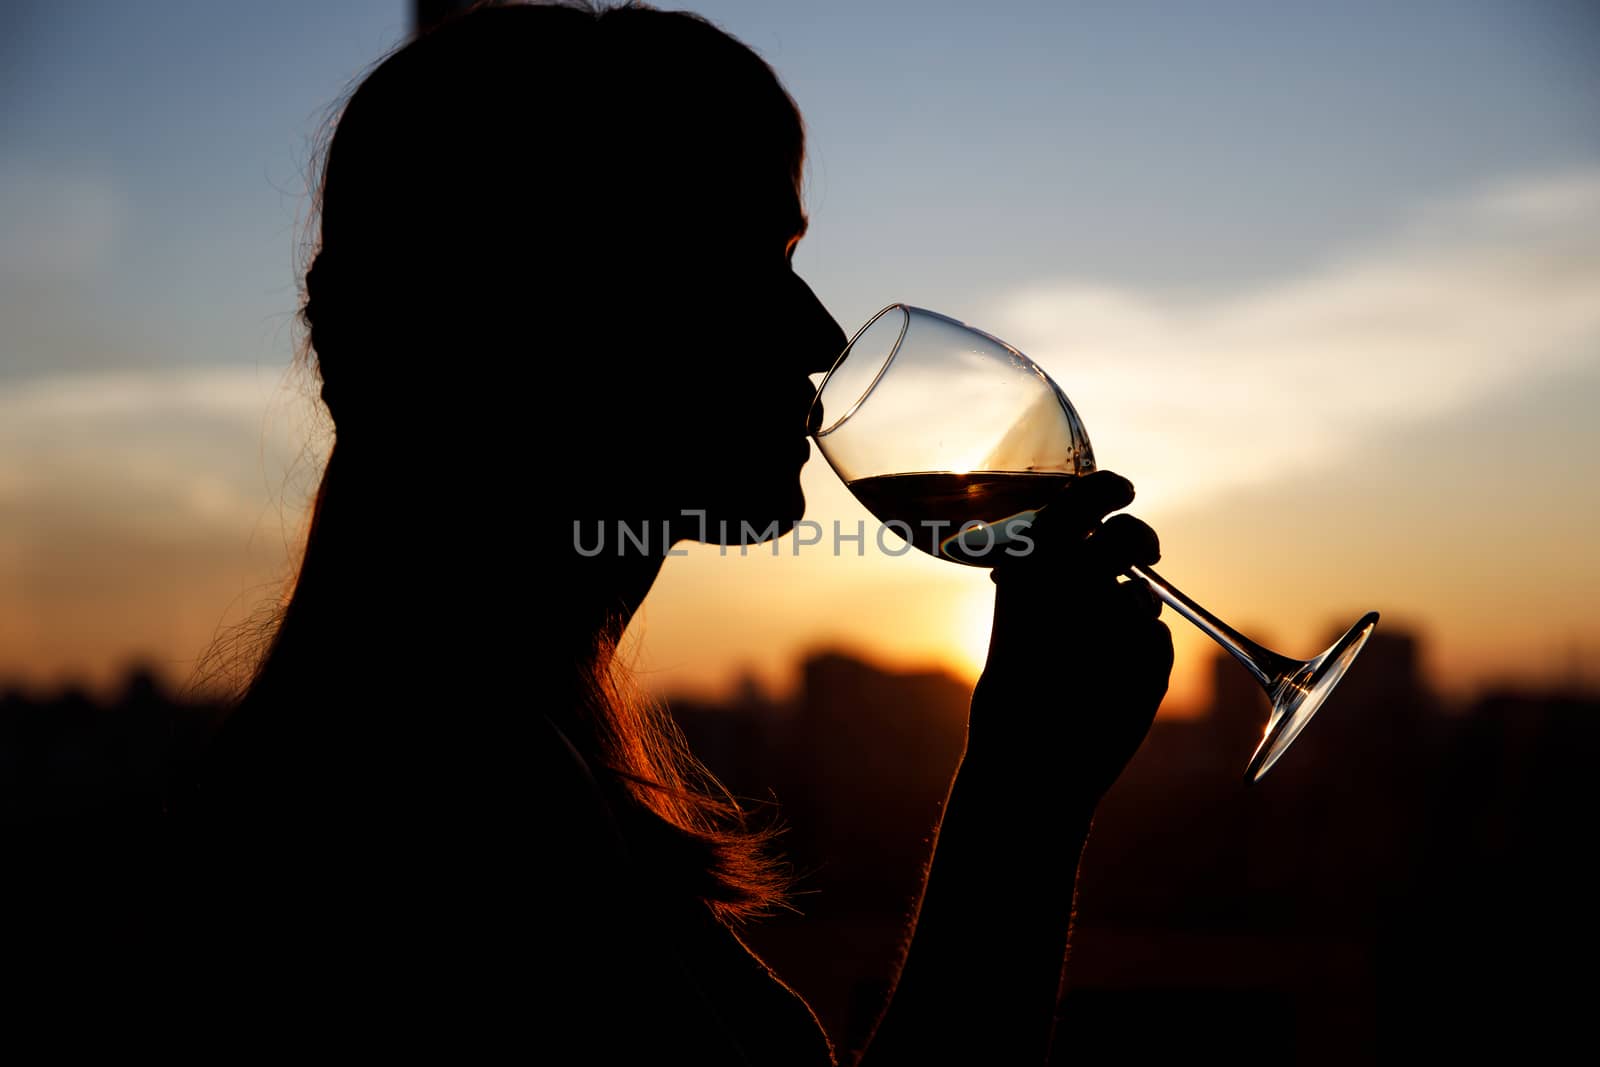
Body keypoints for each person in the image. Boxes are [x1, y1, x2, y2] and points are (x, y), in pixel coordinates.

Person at [187, 3, 1173, 1062]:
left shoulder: (456, 742)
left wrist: (1027, 766)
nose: (819, 333)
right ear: (540, 302)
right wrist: (1023, 793)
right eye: (737, 256)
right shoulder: (432, 796)